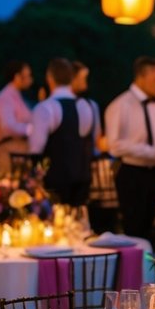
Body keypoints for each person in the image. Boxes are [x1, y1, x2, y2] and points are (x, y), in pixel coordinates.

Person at [105, 56, 155, 242]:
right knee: (133, 229)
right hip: (132, 174)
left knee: (147, 230)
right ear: (141, 77)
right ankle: (132, 269)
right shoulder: (120, 105)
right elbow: (114, 145)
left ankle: (145, 269)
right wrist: (151, 151)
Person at [28, 57, 94, 206]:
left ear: (49, 78)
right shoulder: (86, 106)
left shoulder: (46, 107)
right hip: (83, 177)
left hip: (55, 181)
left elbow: (36, 148)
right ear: (72, 78)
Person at [0, 60, 34, 174]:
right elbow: (8, 126)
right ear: (17, 77)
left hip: (21, 152)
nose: (31, 80)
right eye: (28, 76)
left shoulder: (20, 97)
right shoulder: (4, 98)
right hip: (9, 152)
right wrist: (31, 130)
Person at [72, 61, 104, 152]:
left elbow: (97, 136)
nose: (85, 82)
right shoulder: (60, 104)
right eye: (83, 78)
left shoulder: (92, 105)